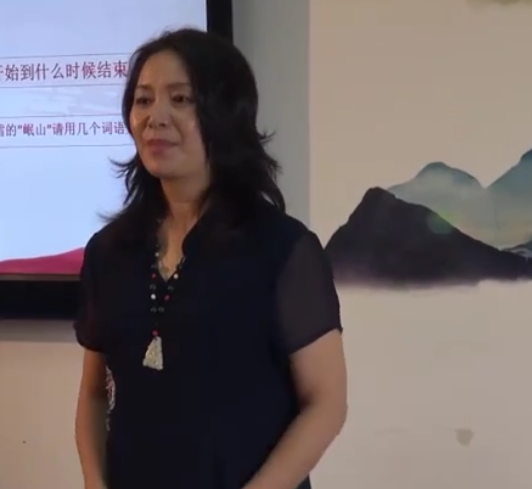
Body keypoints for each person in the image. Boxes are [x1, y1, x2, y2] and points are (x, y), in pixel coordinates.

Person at [74, 28, 347, 489]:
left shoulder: (282, 248)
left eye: (181, 99)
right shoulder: (110, 250)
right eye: (143, 100)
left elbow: (326, 403)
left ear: (226, 114)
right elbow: (94, 394)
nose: (155, 117)